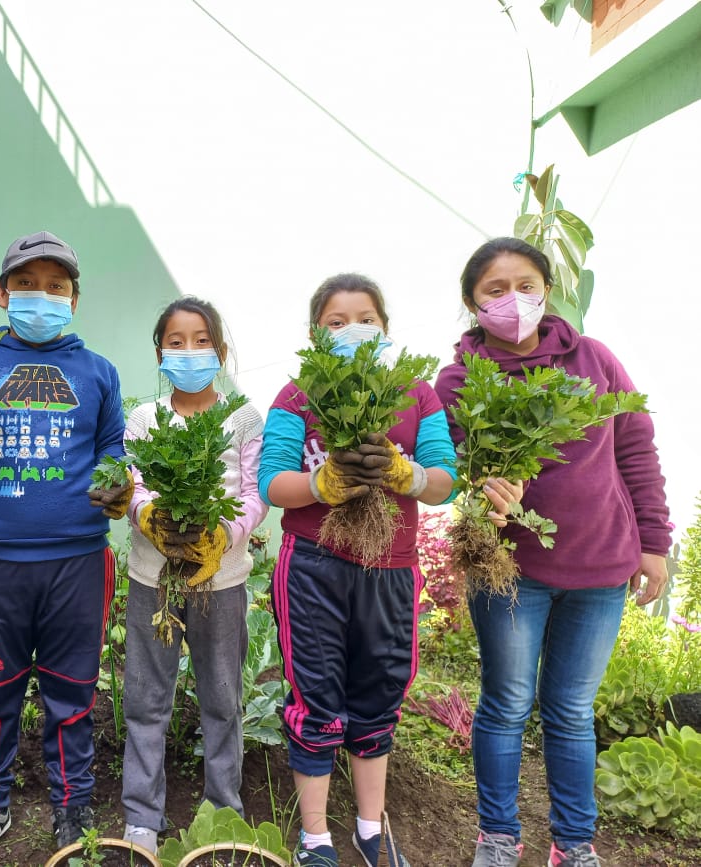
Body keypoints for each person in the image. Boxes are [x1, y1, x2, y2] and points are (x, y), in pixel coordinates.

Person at [434, 238, 671, 867]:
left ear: (547, 291)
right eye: (495, 289)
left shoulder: (594, 359)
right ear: (472, 302)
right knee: (507, 704)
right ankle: (498, 836)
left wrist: (653, 543)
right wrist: (480, 491)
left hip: (601, 569)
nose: (513, 300)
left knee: (571, 710)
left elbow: (636, 452)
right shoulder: (458, 380)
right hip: (512, 571)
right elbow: (445, 469)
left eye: (526, 286)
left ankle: (573, 845)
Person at [0, 231, 132, 867]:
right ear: (2, 293)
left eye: (56, 286)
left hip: (77, 563)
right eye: (28, 284)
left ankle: (74, 809)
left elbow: (113, 450)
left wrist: (118, 484)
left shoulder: (98, 373)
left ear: (74, 300)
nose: (42, 296)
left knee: (74, 692)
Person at [257, 273, 459, 867]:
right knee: (315, 694)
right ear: (315, 337)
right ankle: (316, 838)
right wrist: (320, 484)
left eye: (366, 319)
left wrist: (408, 476)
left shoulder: (416, 394)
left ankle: (372, 829)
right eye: (337, 322)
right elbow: (273, 483)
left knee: (379, 691)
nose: (353, 330)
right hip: (313, 565)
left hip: (390, 568)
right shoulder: (298, 396)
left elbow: (444, 481)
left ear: (386, 327)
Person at [119, 297, 269, 855]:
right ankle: (141, 817)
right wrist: (149, 519)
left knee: (222, 697)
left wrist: (221, 536)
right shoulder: (144, 419)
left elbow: (254, 494)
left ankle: (223, 810)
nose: (189, 351)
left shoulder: (244, 419)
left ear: (220, 351)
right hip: (153, 576)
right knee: (146, 696)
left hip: (221, 580)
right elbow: (133, 485)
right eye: (176, 342)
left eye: (201, 341)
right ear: (160, 353)